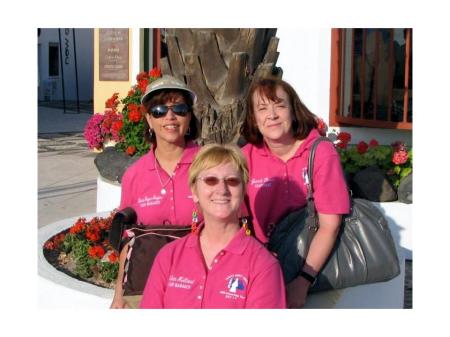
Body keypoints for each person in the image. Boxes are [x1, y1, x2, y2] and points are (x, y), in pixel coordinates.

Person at [240, 77, 350, 308]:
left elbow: (330, 225)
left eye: (280, 105)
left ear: (293, 110)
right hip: (262, 269)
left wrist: (303, 281)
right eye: (262, 108)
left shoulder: (320, 152)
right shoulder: (245, 157)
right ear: (253, 118)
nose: (272, 114)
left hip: (313, 269)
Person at [139, 144, 286, 309]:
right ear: (194, 191)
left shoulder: (264, 266)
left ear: (244, 190)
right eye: (211, 180)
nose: (222, 189)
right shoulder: (169, 257)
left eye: (232, 181)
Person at [110, 75, 201, 309]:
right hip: (146, 286)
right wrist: (119, 293)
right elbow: (128, 239)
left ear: (189, 117)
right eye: (159, 110)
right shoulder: (135, 174)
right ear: (149, 120)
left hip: (200, 284)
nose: (170, 117)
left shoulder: (209, 164)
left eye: (179, 109)